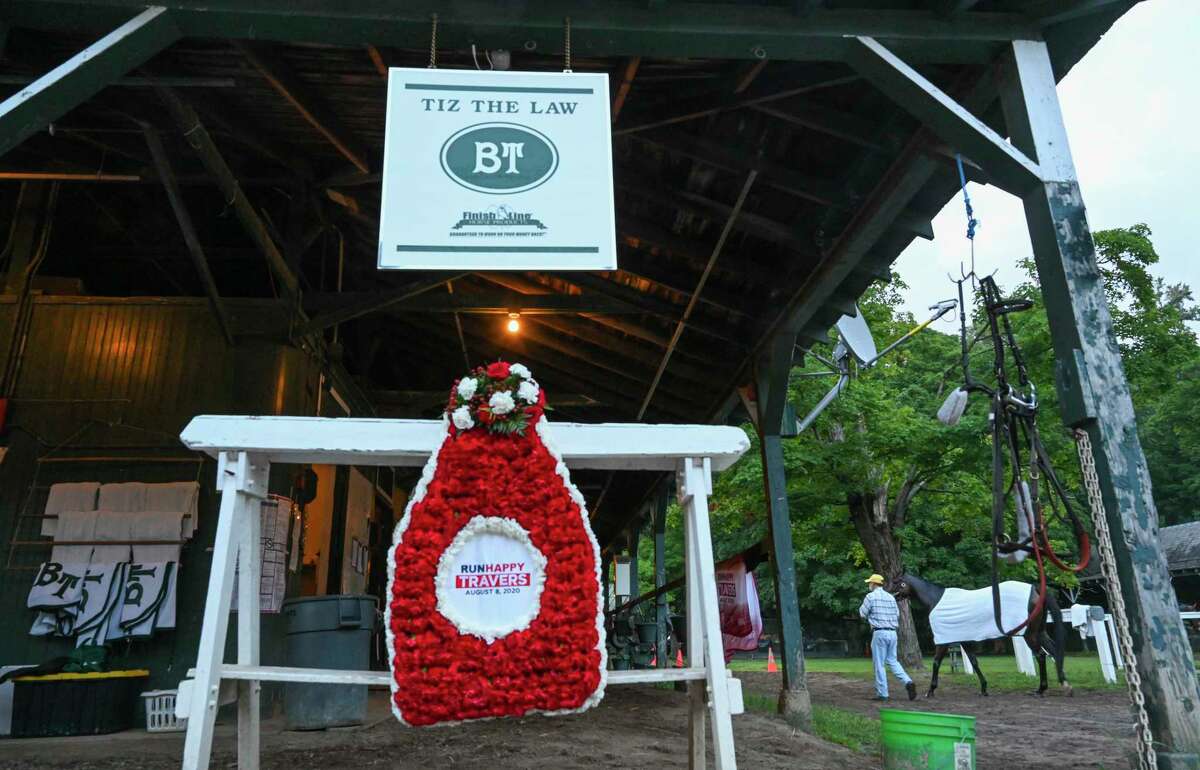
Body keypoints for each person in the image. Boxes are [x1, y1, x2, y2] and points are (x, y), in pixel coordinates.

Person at [858, 573, 916, 701]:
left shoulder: (870, 596)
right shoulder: (890, 598)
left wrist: (871, 617)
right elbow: (897, 615)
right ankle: (908, 681)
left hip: (879, 633)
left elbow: (862, 613)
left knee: (879, 664)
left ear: (873, 584)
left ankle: (883, 694)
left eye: (870, 583)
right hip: (892, 633)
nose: (869, 585)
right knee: (893, 661)